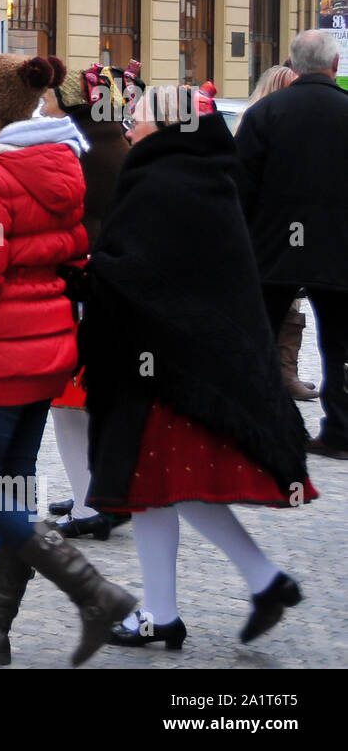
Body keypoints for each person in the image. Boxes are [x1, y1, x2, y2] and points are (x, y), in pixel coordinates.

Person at [80, 85, 316, 649]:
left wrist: (86, 274)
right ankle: (173, 611)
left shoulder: (162, 181)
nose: (129, 128)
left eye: (136, 119)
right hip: (177, 362)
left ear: (164, 127)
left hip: (169, 367)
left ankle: (226, 592)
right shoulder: (201, 172)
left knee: (161, 485)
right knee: (159, 487)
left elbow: (144, 274)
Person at [0, 53, 136, 668]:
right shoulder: (59, 159)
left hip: (3, 351)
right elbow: (73, 245)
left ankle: (95, 593)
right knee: (10, 485)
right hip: (49, 344)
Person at [235, 29, 348, 459]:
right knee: (341, 346)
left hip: (272, 251)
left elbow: (240, 188)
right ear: (335, 66)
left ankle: (268, 428)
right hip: (340, 253)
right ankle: (342, 431)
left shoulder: (267, 113)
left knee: (258, 341)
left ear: (292, 64)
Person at [43, 62, 139, 540]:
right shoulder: (115, 141)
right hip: (110, 283)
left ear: (71, 102)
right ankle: (98, 490)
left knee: (69, 401)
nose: (43, 101)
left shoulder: (75, 148)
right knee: (88, 399)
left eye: (51, 95)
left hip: (82, 284)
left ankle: (91, 504)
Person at [237, 64, 318, 403]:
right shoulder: (258, 121)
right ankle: (269, 375)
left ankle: (286, 371)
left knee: (293, 298)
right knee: (268, 302)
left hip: (293, 227)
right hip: (264, 231)